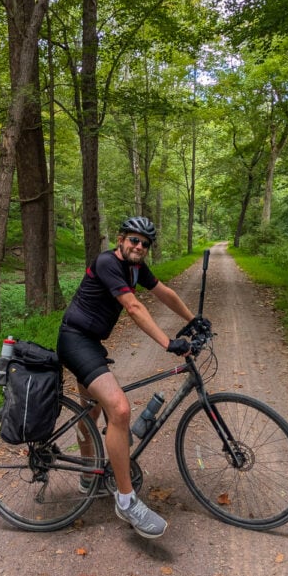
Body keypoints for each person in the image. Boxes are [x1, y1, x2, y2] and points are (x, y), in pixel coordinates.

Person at [56, 215, 207, 538]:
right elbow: (134, 307)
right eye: (134, 240)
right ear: (121, 239)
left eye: (145, 243)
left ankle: (88, 475)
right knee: (120, 410)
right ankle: (125, 501)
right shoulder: (108, 262)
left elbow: (164, 292)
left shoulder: (136, 268)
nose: (139, 246)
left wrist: (194, 320)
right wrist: (168, 343)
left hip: (91, 343)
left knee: (92, 412)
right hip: (75, 340)